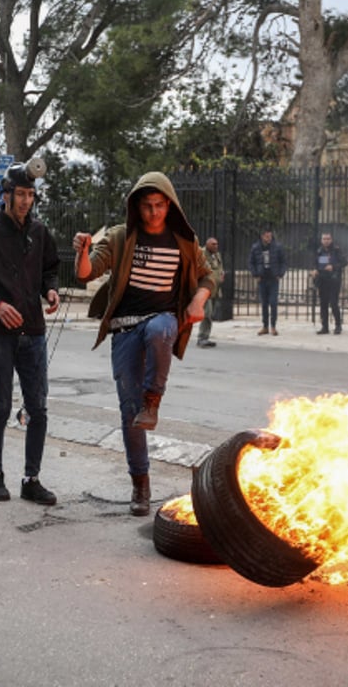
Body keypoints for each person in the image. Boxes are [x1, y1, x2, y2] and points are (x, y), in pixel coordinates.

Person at [73, 173, 214, 516]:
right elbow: (86, 274)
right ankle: (141, 484)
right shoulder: (122, 238)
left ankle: (154, 400)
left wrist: (198, 302)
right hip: (123, 330)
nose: (153, 212)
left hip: (162, 320)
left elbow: (207, 275)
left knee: (160, 329)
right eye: (147, 206)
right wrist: (84, 251)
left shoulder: (183, 241)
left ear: (170, 205)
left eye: (160, 205)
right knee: (128, 414)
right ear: (137, 206)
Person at [0, 162, 61, 505]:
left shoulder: (40, 232)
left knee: (38, 407)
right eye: (20, 194)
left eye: (31, 195)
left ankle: (31, 478)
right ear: (5, 195)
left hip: (33, 331)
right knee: (0, 405)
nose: (25, 201)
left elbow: (50, 268)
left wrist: (51, 290)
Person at [248, 228, 286, 336]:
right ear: (262, 236)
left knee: (273, 303)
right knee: (264, 303)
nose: (269, 238)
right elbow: (251, 263)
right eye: (267, 236)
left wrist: (280, 274)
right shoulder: (256, 247)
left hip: (273, 278)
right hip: (262, 278)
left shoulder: (277, 247)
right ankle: (265, 326)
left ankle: (273, 326)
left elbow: (283, 262)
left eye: (270, 236)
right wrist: (255, 274)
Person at [312, 231, 348, 335]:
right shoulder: (319, 251)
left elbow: (344, 262)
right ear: (321, 240)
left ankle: (338, 325)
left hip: (334, 280)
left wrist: (333, 266)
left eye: (328, 239)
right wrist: (315, 270)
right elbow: (316, 263)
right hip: (323, 280)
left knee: (333, 303)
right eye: (324, 239)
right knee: (323, 304)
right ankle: (325, 327)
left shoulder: (336, 250)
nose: (326, 241)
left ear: (331, 240)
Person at [197, 237, 225, 348]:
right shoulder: (201, 254)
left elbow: (219, 267)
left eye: (217, 244)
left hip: (215, 289)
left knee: (210, 314)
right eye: (213, 244)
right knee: (207, 313)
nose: (216, 246)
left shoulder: (217, 255)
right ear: (207, 245)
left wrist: (221, 274)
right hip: (204, 288)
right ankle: (202, 338)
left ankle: (206, 337)